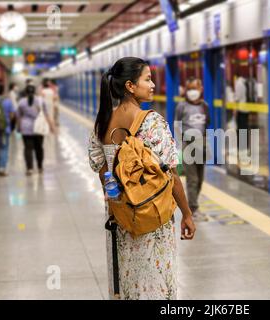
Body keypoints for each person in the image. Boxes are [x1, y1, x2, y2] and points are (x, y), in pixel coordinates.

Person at [88, 57, 195, 300]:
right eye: (147, 79)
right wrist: (187, 214)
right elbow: (171, 175)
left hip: (119, 218)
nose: (153, 84)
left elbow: (103, 172)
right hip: (152, 216)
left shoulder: (102, 123)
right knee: (155, 286)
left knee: (125, 284)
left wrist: (121, 200)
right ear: (130, 86)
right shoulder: (151, 121)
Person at [175, 77, 210, 221]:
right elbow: (177, 125)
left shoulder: (204, 106)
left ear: (201, 89)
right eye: (189, 89)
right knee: (192, 179)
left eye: (195, 88)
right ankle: (193, 209)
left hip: (201, 144)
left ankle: (194, 206)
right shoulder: (181, 106)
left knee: (200, 178)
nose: (192, 92)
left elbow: (207, 124)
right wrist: (178, 145)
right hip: (188, 144)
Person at [17, 84, 53, 175]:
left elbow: (19, 116)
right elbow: (46, 114)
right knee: (39, 148)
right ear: (35, 92)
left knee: (28, 148)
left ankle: (29, 169)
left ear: (25, 92)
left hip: (26, 129)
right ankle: (40, 167)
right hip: (39, 128)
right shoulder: (41, 101)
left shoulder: (21, 102)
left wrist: (18, 127)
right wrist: (51, 126)